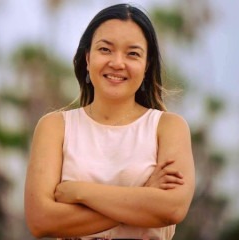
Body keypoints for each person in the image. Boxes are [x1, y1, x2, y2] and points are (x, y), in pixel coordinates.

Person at [24, 3, 195, 240]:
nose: (117, 62)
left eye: (132, 53)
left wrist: (80, 192)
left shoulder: (168, 127)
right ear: (87, 57)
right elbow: (41, 220)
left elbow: (173, 208)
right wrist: (144, 196)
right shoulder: (55, 127)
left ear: (147, 65)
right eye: (105, 49)